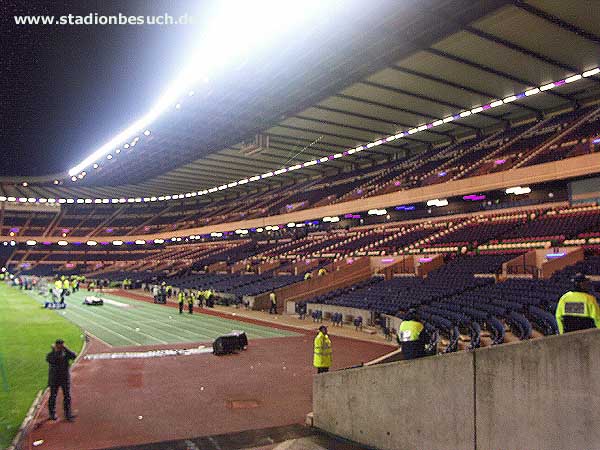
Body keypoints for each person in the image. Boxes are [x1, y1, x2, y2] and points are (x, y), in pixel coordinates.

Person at [46, 339, 77, 421]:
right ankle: (52, 414)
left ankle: (68, 414)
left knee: (67, 396)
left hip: (64, 378)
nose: (61, 347)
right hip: (54, 379)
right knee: (53, 396)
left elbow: (74, 356)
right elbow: (52, 360)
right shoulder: (50, 355)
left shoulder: (66, 353)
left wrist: (66, 348)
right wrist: (55, 351)